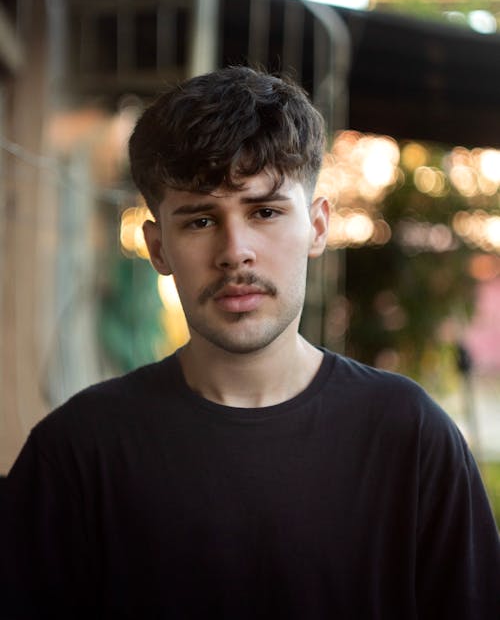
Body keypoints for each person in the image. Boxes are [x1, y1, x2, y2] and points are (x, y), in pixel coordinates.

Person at [1, 66, 499, 619]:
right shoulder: (77, 452)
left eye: (264, 211)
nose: (234, 251)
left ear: (316, 227)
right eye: (199, 220)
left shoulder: (410, 437)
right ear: (158, 247)